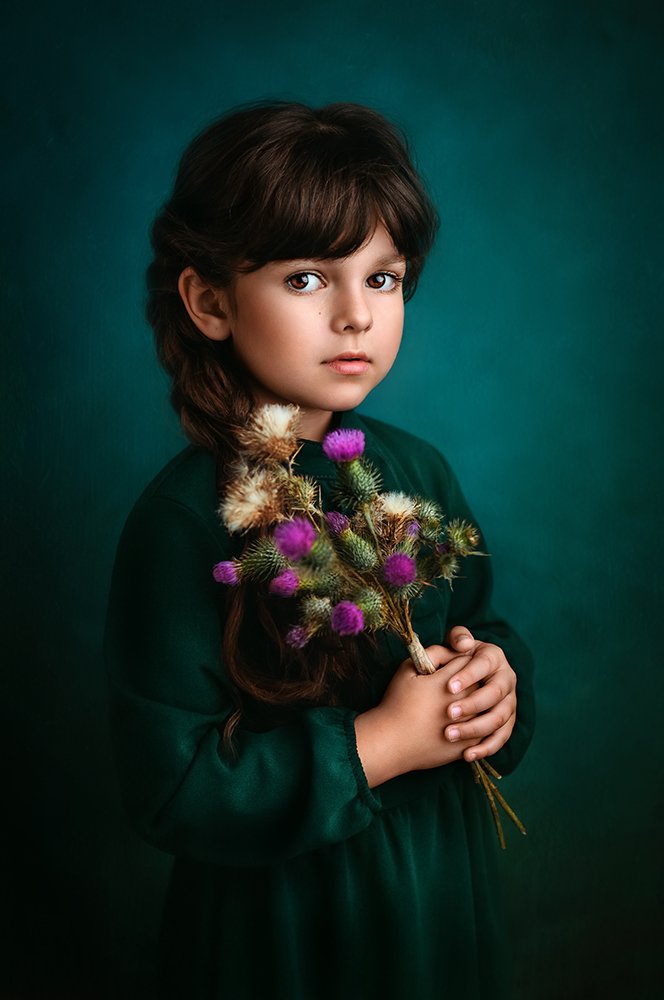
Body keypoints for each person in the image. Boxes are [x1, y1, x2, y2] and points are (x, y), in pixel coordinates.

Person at [105, 101, 535, 1000]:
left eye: (383, 279)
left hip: (433, 884)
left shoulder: (415, 468)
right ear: (211, 300)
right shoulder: (186, 520)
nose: (355, 317)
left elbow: (481, 623)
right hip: (287, 922)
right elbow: (173, 789)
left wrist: (494, 686)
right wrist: (377, 745)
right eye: (307, 279)